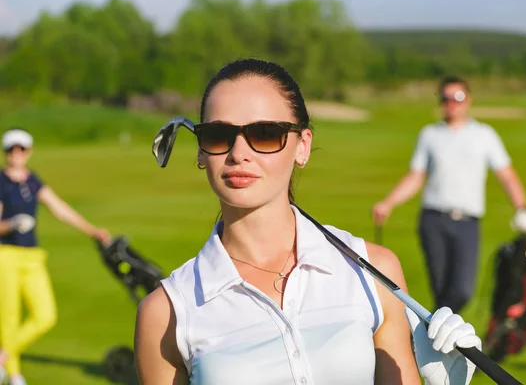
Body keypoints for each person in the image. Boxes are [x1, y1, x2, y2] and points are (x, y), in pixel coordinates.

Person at [134, 59, 483, 385]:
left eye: (266, 133)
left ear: (302, 146)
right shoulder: (165, 314)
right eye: (217, 135)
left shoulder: (374, 272)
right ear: (200, 150)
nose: (238, 152)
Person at [372, 76, 526, 316]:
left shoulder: (484, 135)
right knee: (441, 290)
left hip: (467, 223)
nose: (452, 103)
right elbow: (416, 177)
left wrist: (522, 207)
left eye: (457, 98)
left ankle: (423, 333)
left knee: (461, 291)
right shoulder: (429, 134)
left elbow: (506, 175)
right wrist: (388, 203)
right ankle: (436, 343)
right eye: (446, 98)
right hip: (433, 221)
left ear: (468, 100)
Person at [0, 128, 111, 385]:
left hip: (32, 256)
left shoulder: (32, 180)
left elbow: (59, 208)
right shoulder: (2, 181)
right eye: (12, 149)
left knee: (45, 315)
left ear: (29, 152)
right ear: (6, 152)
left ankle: (3, 356)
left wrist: (92, 230)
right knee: (9, 318)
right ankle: (15, 375)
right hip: (5, 255)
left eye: (22, 149)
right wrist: (13, 223)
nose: (17, 154)